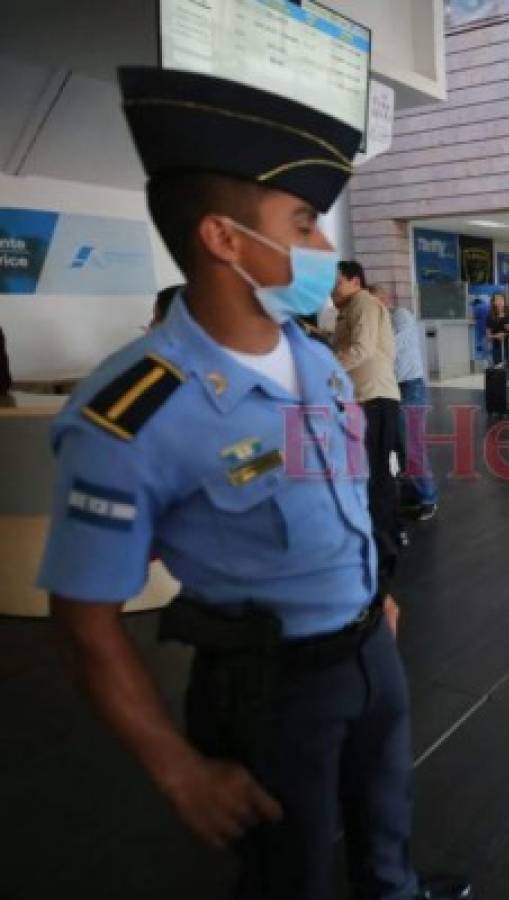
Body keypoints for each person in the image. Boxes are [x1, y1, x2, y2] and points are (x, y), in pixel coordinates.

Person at [36, 67, 468, 899]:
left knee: (386, 815)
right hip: (270, 687)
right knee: (289, 869)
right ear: (225, 239)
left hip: (368, 643)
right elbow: (84, 623)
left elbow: (339, 486)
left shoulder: (309, 352)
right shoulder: (133, 410)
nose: (321, 248)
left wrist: (372, 585)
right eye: (302, 222)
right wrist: (180, 773)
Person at [332, 260, 407, 557]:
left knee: (375, 471)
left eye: (337, 281)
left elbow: (361, 349)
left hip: (375, 398)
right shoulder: (347, 310)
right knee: (373, 470)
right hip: (364, 397)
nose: (332, 288)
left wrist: (324, 367)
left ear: (355, 281)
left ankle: (387, 535)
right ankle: (387, 531)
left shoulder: (363, 302)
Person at [384, 288, 439, 522]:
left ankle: (428, 498)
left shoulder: (400, 316)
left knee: (412, 445)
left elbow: (386, 347)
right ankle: (412, 494)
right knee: (400, 445)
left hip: (410, 388)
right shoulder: (383, 322)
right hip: (394, 387)